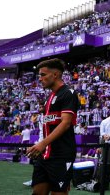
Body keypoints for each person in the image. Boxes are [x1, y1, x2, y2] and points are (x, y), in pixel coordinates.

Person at [26, 58, 80, 195]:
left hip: (61, 156)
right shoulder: (50, 96)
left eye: (43, 75)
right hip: (44, 155)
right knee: (37, 192)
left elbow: (66, 123)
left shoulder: (68, 93)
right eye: (39, 75)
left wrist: (42, 143)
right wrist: (40, 146)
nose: (40, 78)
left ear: (55, 75)